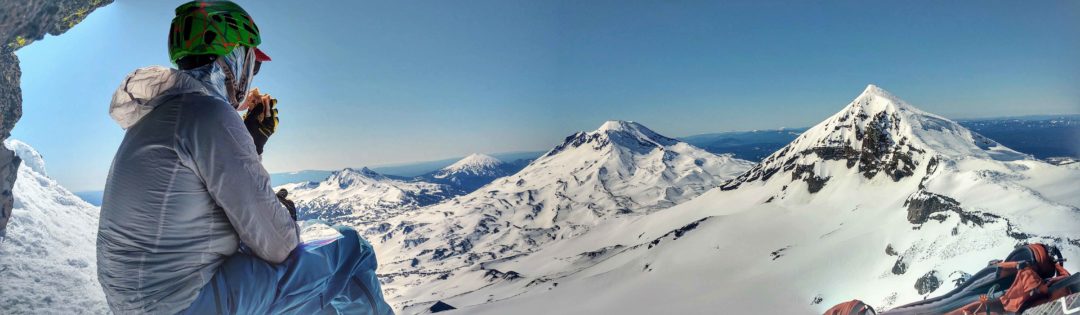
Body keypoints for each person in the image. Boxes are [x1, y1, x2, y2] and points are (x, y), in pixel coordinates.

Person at [96, 1, 394, 314]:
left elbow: (212, 203)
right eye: (253, 65)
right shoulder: (210, 114)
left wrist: (252, 141)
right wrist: (284, 215)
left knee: (309, 295)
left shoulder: (158, 117)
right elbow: (279, 246)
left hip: (146, 302)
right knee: (348, 248)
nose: (252, 74)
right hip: (186, 303)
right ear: (234, 58)